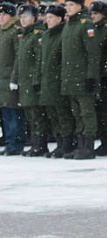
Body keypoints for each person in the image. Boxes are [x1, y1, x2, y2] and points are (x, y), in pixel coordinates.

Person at [61, 0, 100, 160]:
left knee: (86, 113)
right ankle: (80, 145)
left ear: (80, 6)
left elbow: (93, 53)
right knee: (76, 113)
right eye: (66, 5)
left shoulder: (86, 24)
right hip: (70, 78)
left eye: (71, 5)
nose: (68, 8)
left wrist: (91, 76)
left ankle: (88, 146)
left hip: (82, 78)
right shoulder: (69, 25)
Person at [14, 3, 50, 157]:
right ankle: (35, 143)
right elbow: (19, 60)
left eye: (26, 17)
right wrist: (14, 79)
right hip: (24, 82)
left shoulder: (37, 34)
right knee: (30, 115)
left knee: (37, 116)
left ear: (34, 18)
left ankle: (40, 144)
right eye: (21, 17)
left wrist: (36, 79)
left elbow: (39, 60)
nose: (22, 20)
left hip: (33, 81)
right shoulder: (25, 35)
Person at [40, 4, 74, 158]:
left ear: (59, 19)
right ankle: (59, 143)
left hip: (59, 80)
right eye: (47, 17)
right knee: (53, 114)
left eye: (51, 17)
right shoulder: (46, 35)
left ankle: (66, 144)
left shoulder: (63, 34)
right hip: (48, 80)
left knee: (63, 114)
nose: (48, 20)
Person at [89, 1, 107, 156]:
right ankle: (105, 141)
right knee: (101, 111)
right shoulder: (94, 29)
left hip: (105, 76)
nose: (93, 16)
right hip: (98, 75)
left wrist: (105, 70)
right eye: (92, 13)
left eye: (96, 13)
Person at [1, 2, 27, 156]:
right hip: (1, 80)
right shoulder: (2, 31)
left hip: (10, 78)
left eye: (4, 14)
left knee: (13, 113)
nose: (1, 17)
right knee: (6, 112)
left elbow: (19, 56)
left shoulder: (14, 31)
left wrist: (15, 78)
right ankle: (10, 141)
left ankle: (16, 143)